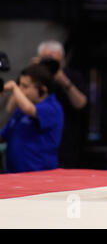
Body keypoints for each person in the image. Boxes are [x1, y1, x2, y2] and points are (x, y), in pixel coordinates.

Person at [7, 40, 88, 168]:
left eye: (55, 62)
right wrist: (33, 72)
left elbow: (81, 103)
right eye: (46, 60)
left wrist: (64, 81)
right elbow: (10, 109)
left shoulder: (53, 102)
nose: (50, 66)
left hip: (66, 144)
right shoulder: (30, 81)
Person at [0, 63, 64, 173]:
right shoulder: (20, 109)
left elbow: (30, 110)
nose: (20, 90)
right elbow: (4, 135)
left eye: (25, 86)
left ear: (42, 89)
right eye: (19, 85)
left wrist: (14, 87)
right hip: (14, 174)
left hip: (40, 175)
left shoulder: (52, 107)